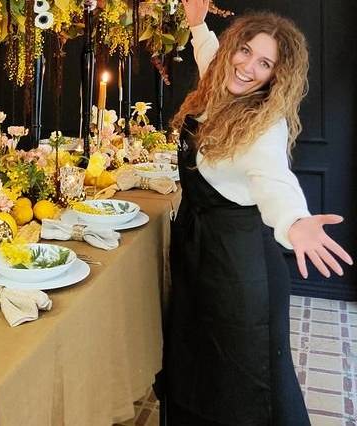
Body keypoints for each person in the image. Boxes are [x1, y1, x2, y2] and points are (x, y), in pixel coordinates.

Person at [156, 1, 354, 424]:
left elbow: (275, 182)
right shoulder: (220, 78)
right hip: (202, 257)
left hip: (238, 272)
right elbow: (208, 52)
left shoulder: (264, 125)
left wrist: (295, 222)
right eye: (244, 50)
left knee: (244, 381)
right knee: (199, 367)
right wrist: (197, 25)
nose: (247, 67)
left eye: (264, 63)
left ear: (275, 77)